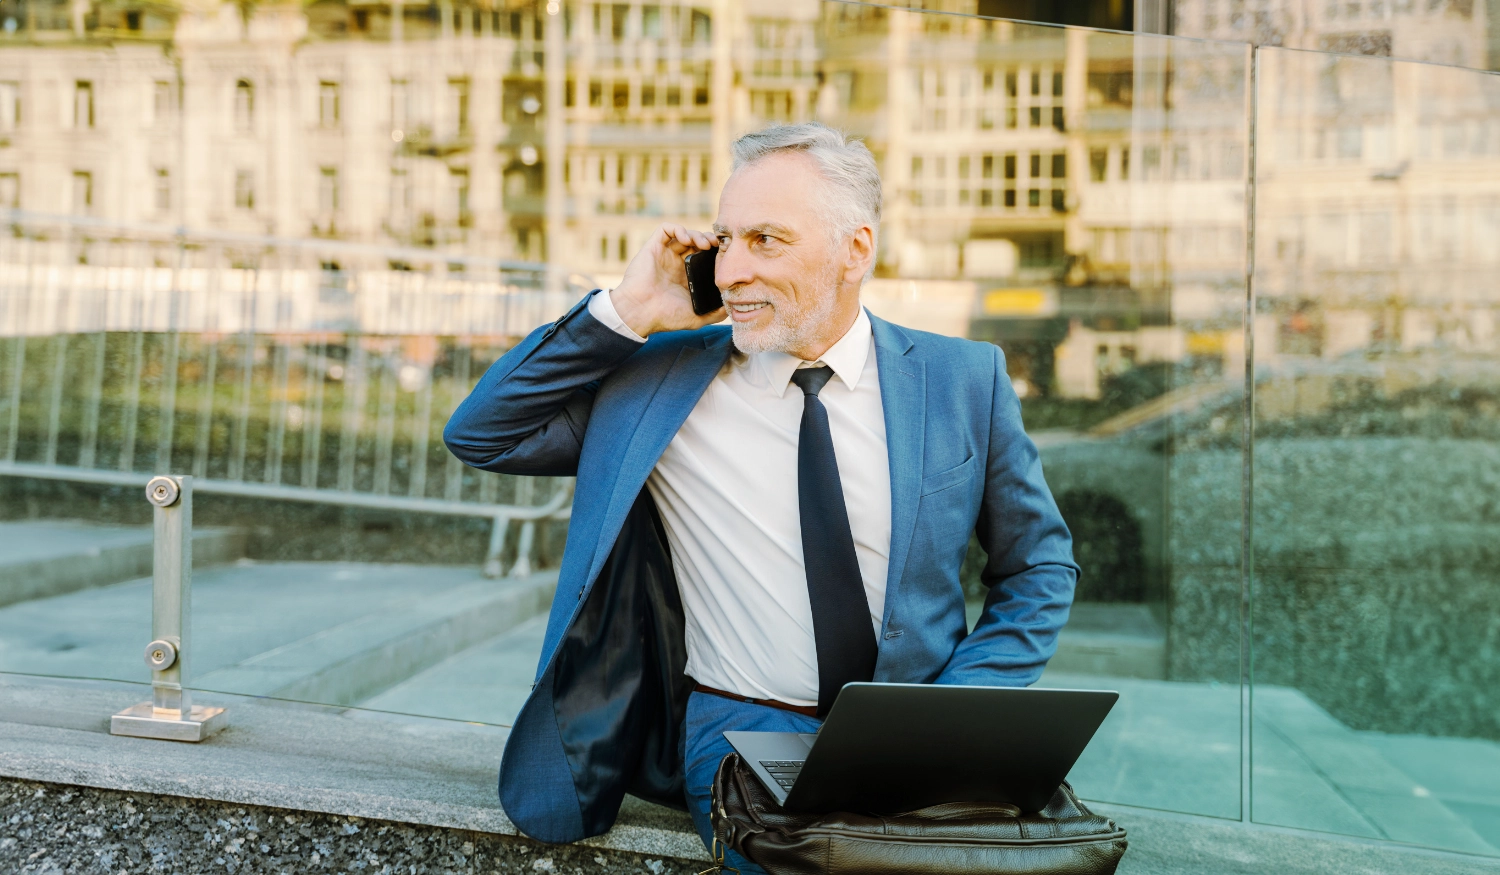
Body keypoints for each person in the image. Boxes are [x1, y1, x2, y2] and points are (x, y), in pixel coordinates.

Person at [444, 122, 1077, 873]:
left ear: (856, 248)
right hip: (747, 723)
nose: (734, 269)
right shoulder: (658, 383)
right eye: (725, 239)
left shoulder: (965, 377)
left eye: (766, 240)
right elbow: (483, 431)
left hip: (927, 724)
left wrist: (962, 708)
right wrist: (630, 308)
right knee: (803, 862)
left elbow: (1039, 567)